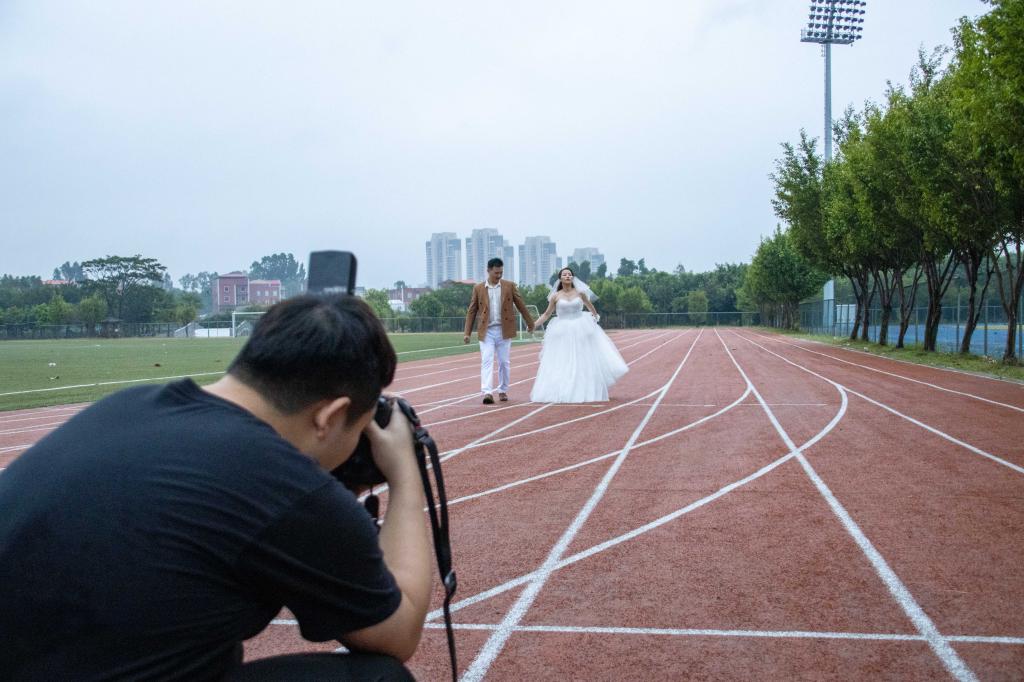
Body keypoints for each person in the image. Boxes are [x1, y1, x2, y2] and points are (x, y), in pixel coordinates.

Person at [0, 294, 431, 681]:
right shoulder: (282, 485)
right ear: (330, 417)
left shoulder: (127, 405)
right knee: (380, 678)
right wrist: (405, 473)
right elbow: (398, 632)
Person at [530, 267, 629, 403]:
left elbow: (590, 306)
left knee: (583, 358)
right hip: (562, 330)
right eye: (564, 275)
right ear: (560, 278)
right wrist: (534, 325)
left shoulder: (580, 293)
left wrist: (595, 317)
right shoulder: (555, 296)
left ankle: (585, 389)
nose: (567, 276)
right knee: (563, 360)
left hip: (581, 327)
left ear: (572, 277)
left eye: (569, 274)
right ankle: (563, 389)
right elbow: (547, 314)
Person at [463, 257, 535, 404]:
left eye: (501, 272)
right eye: (496, 273)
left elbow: (521, 305)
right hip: (486, 331)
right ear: (488, 271)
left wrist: (530, 323)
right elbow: (472, 311)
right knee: (487, 360)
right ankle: (487, 392)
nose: (499, 275)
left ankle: (502, 390)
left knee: (504, 362)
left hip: (504, 330)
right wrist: (467, 333)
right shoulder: (478, 288)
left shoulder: (509, 286)